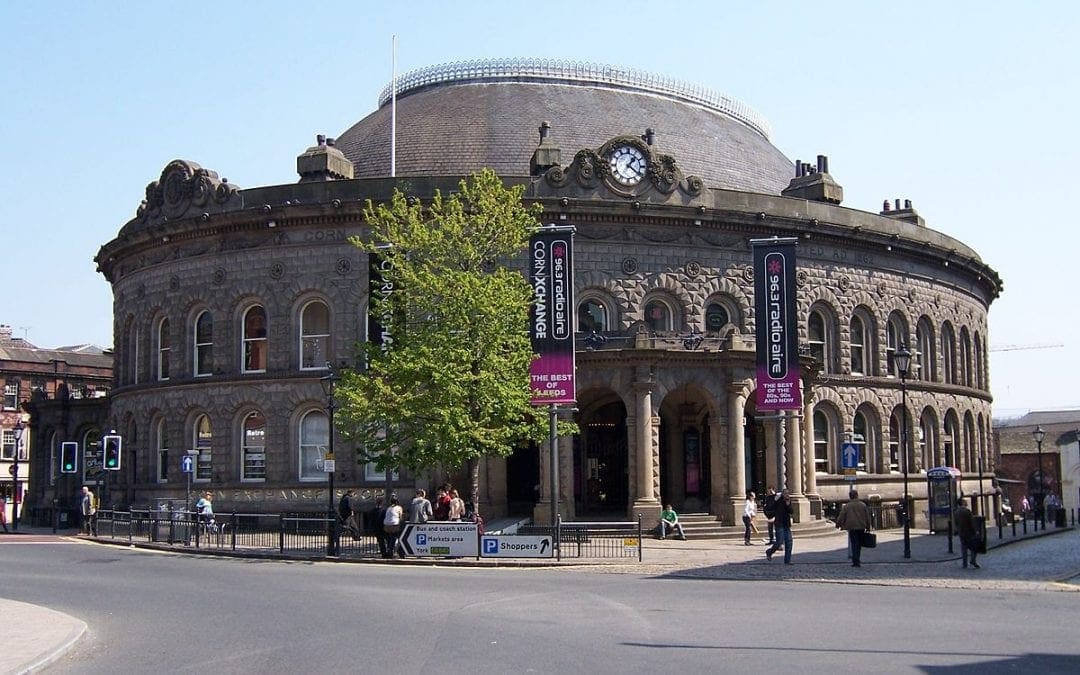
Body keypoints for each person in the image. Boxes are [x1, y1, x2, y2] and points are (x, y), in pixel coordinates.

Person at [835, 489, 872, 567]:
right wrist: (868, 526)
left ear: (850, 497)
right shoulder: (863, 505)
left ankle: (855, 560)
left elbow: (842, 516)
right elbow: (867, 517)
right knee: (859, 544)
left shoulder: (847, 506)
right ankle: (857, 558)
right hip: (861, 526)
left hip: (852, 527)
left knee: (854, 543)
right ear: (857, 495)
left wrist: (838, 524)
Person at [765, 489, 794, 564]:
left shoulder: (788, 501)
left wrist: (788, 504)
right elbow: (771, 507)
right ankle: (769, 552)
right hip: (779, 524)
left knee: (789, 542)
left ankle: (787, 560)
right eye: (785, 493)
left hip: (786, 524)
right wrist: (775, 499)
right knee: (779, 542)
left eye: (788, 493)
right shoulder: (778, 500)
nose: (787, 495)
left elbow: (791, 511)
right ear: (782, 494)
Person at [954, 497, 980, 569]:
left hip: (961, 533)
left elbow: (956, 523)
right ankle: (972, 560)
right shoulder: (967, 511)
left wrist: (957, 530)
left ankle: (964, 563)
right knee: (974, 547)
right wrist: (976, 531)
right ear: (962, 503)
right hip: (969, 532)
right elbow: (971, 523)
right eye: (965, 501)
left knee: (964, 547)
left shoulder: (956, 512)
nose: (966, 502)